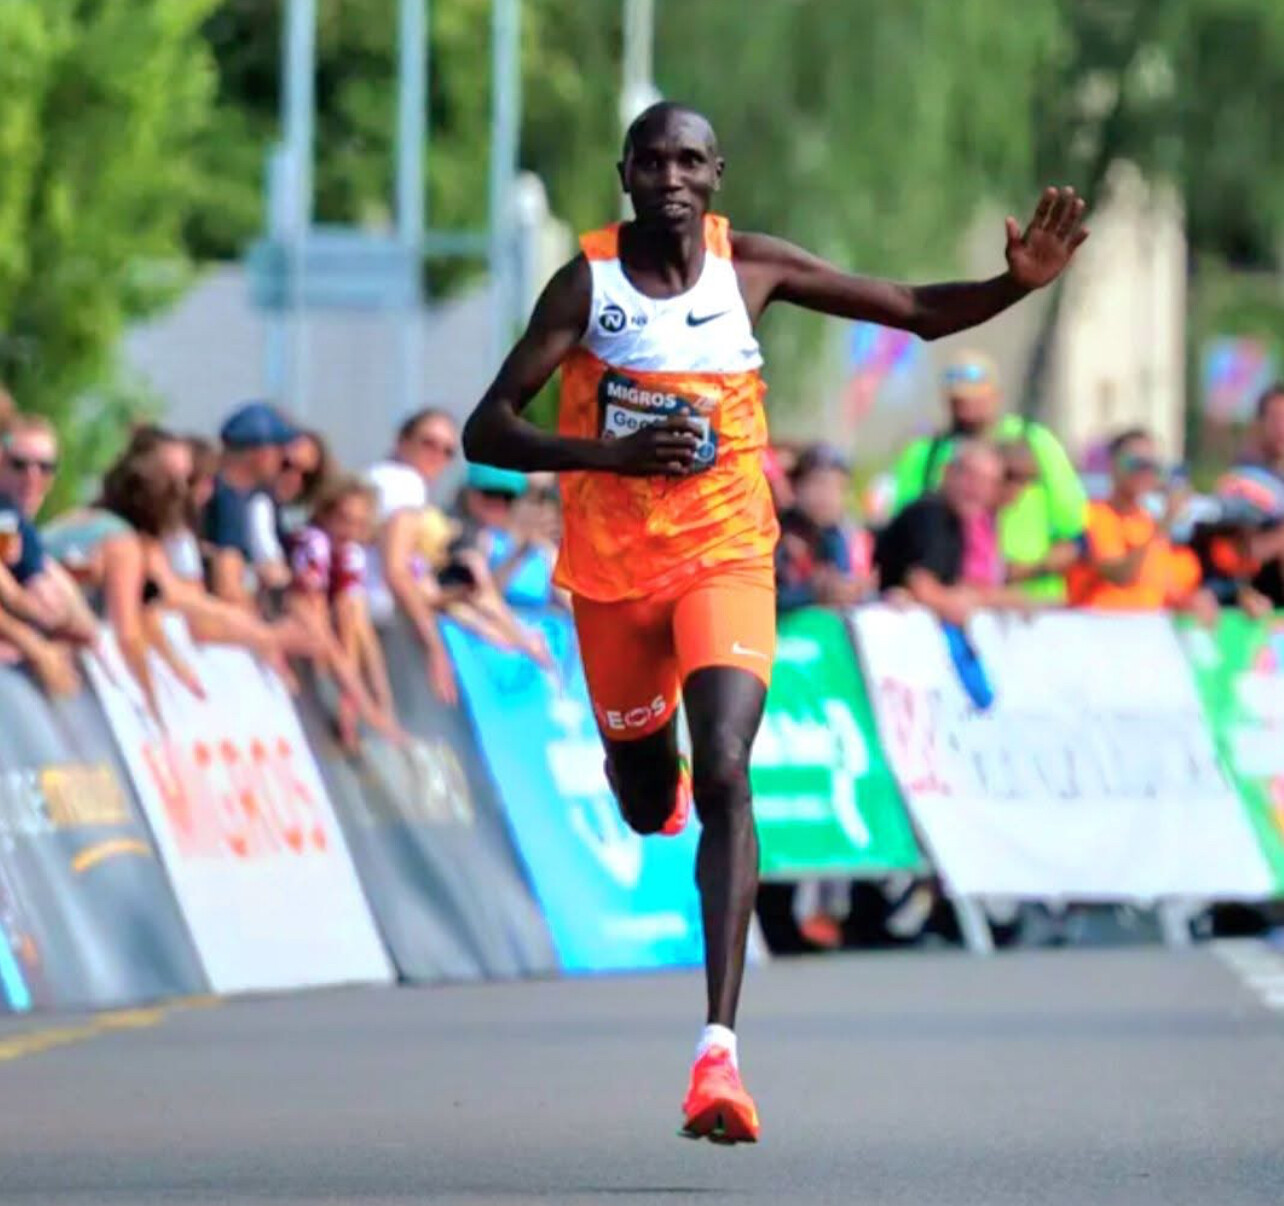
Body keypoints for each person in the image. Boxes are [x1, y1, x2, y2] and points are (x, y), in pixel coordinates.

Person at [461, 100, 1087, 1144]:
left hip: (727, 557)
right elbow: (488, 428)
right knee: (646, 795)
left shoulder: (750, 266)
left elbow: (911, 308)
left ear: (716, 176)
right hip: (614, 576)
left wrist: (1011, 287)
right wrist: (611, 457)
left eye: (689, 161)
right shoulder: (587, 284)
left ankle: (719, 1051)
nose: (670, 177)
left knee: (726, 769)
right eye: (652, 161)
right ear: (626, 174)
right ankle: (648, 774)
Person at [889, 349, 1086, 601]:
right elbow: (905, 532)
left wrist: (1023, 571)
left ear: (996, 396)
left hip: (1030, 603)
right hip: (952, 600)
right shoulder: (924, 453)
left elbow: (1075, 533)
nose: (966, 409)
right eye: (958, 401)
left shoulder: (1036, 442)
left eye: (976, 398)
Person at [288, 478, 402, 750]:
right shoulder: (314, 541)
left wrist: (367, 702)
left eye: (359, 524)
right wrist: (364, 704)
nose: (349, 531)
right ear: (325, 514)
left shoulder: (350, 552)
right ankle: (361, 707)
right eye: (343, 519)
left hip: (319, 614)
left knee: (355, 617)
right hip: (289, 608)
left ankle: (367, 708)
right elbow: (310, 609)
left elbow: (352, 620)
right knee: (321, 617)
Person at [874, 441, 1032, 624]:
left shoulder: (960, 521)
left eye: (988, 482)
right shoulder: (930, 514)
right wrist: (978, 601)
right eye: (970, 476)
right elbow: (925, 589)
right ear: (947, 472)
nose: (977, 489)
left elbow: (957, 585)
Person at [1067, 427, 1217, 620]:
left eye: (1151, 465)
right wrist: (1163, 524)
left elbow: (1160, 587)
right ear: (1113, 465)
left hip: (1145, 632)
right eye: (1134, 463)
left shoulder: (1148, 521)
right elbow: (1120, 576)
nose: (1144, 472)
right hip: (1101, 629)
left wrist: (1192, 600)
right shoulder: (1096, 515)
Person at [365, 408, 460, 704]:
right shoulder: (407, 484)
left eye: (447, 451)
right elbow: (396, 571)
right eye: (428, 443)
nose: (437, 455)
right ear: (402, 441)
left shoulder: (375, 476)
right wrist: (435, 648)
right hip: (372, 620)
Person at [203, 401, 297, 604]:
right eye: (280, 452)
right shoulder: (226, 500)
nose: (282, 461)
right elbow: (228, 585)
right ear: (262, 454)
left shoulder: (257, 500)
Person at [774, 444, 873, 614]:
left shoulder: (837, 536)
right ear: (796, 488)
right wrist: (811, 594)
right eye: (818, 484)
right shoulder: (776, 533)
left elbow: (845, 585)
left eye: (837, 488)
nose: (827, 496)